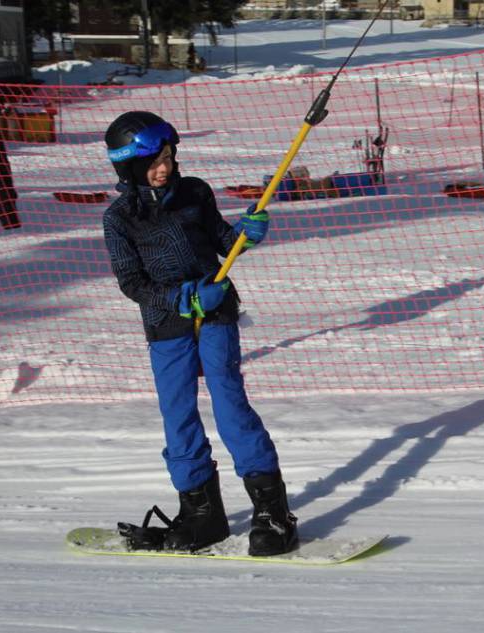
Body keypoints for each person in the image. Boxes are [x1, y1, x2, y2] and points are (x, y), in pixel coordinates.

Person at [101, 111, 298, 557]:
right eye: (153, 162)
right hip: (167, 324)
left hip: (216, 314)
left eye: (168, 157)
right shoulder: (119, 219)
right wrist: (183, 299)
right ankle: (202, 515)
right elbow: (132, 283)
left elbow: (223, 242)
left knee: (229, 403)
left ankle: (273, 513)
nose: (164, 167)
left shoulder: (195, 192)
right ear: (129, 169)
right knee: (178, 416)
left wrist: (245, 236)